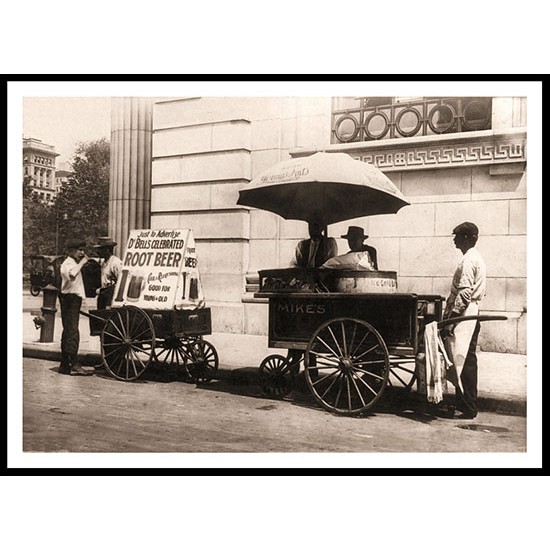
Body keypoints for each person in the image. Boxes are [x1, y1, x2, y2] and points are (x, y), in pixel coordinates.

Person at [441, 221, 487, 419]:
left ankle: (468, 407)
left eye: (457, 236)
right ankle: (464, 404)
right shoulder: (474, 257)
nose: (454, 239)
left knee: (463, 360)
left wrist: (452, 319)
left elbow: (464, 293)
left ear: (467, 238)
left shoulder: (469, 260)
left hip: (466, 314)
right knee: (464, 359)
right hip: (470, 313)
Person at [58, 241, 93, 375]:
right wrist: (82, 263)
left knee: (68, 330)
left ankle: (64, 364)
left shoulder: (72, 263)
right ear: (71, 251)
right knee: (72, 331)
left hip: (73, 299)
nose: (82, 253)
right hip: (69, 299)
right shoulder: (68, 263)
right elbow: (72, 274)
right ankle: (74, 363)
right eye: (79, 250)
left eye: (83, 250)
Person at [93, 236, 123, 310]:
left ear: (107, 250)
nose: (98, 252)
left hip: (111, 297)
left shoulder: (115, 263)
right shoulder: (104, 262)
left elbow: (121, 281)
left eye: (100, 249)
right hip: (103, 295)